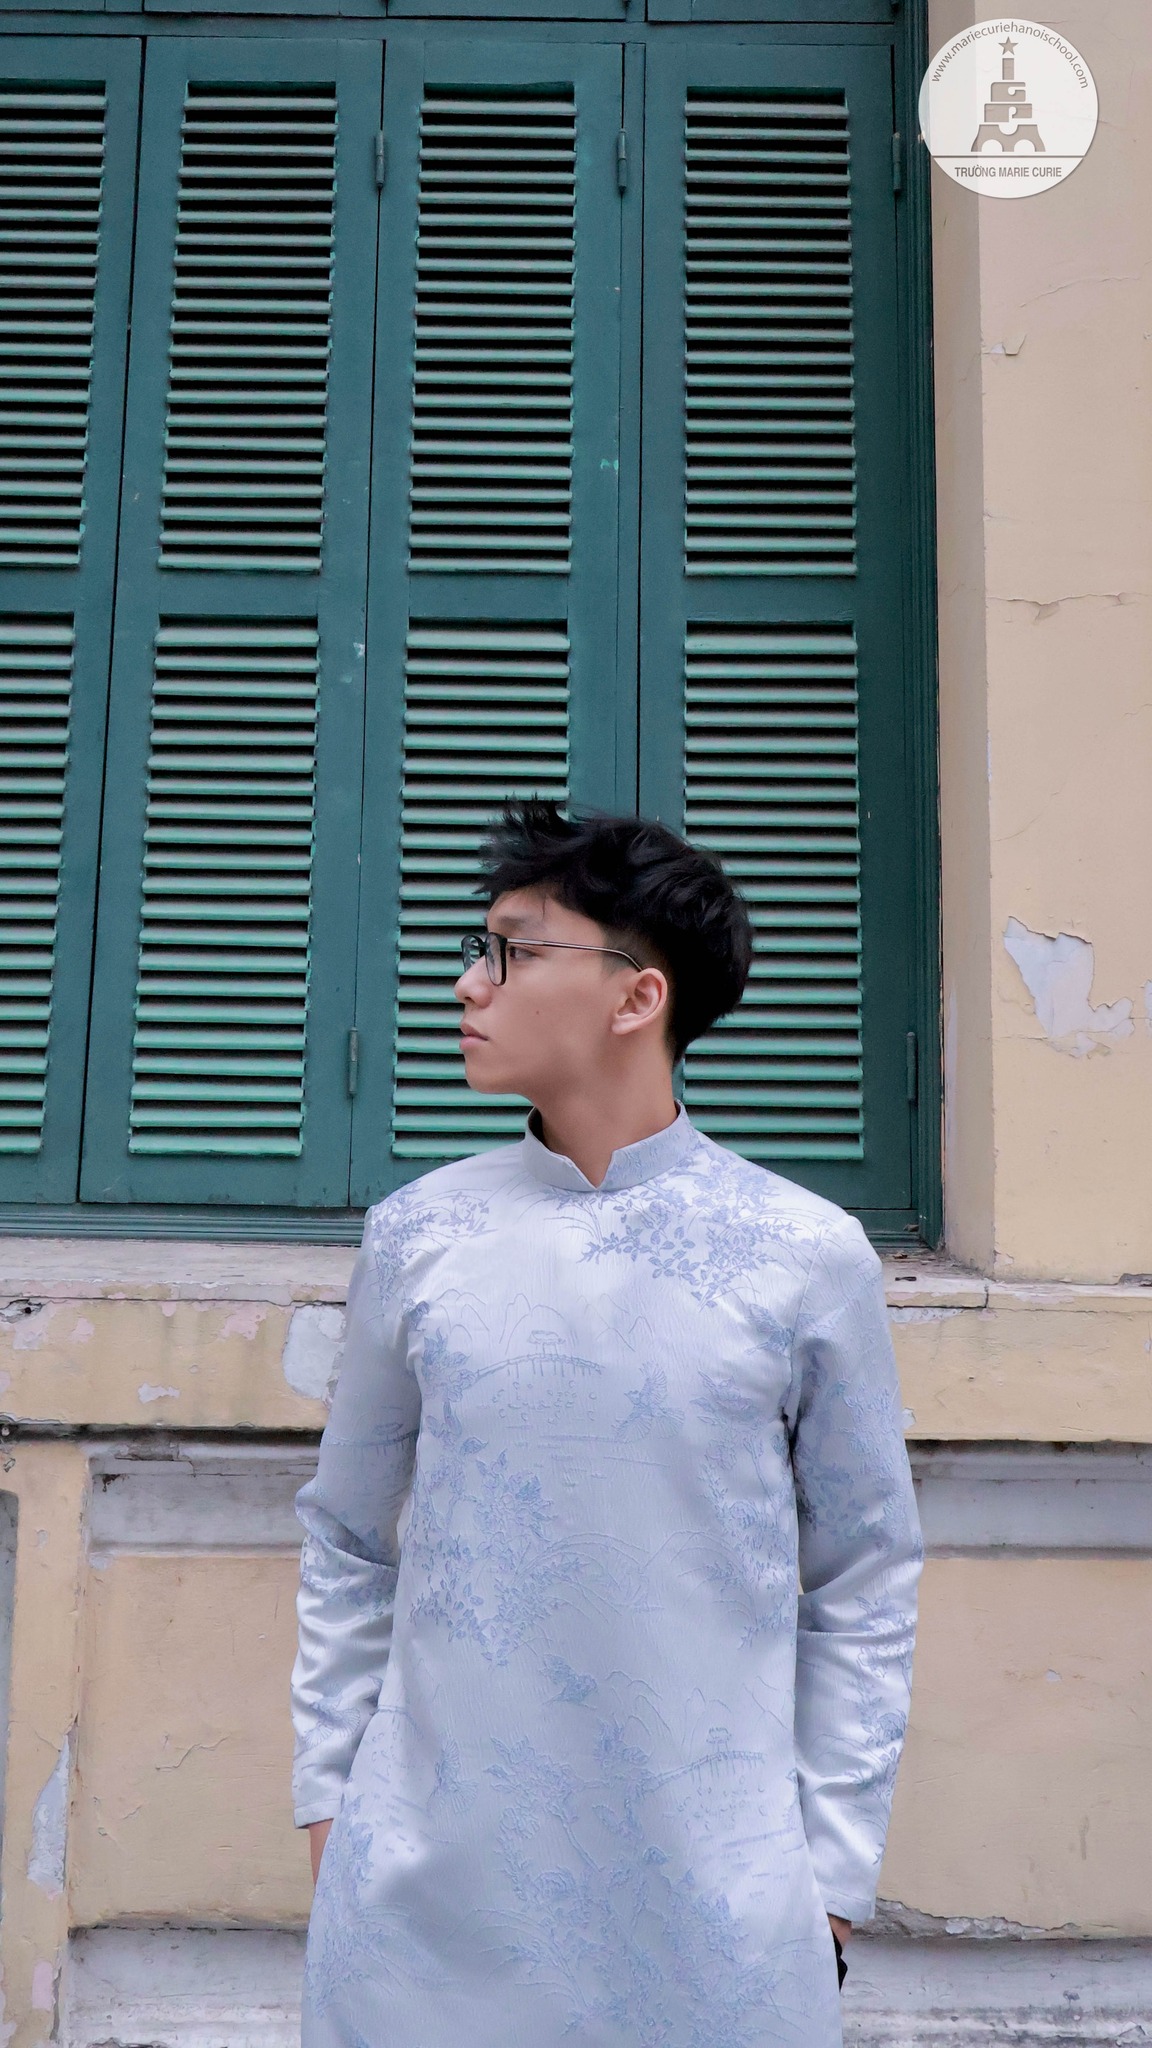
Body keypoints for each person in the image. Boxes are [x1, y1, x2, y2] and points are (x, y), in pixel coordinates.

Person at [291, 800, 922, 2048]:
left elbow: (866, 1575)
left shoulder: (804, 1254)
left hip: (718, 1916)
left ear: (639, 997)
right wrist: (331, 1805)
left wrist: (831, 1879)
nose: (468, 983)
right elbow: (347, 1540)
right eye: (478, 948)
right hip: (426, 1910)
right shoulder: (417, 1235)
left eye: (513, 950)